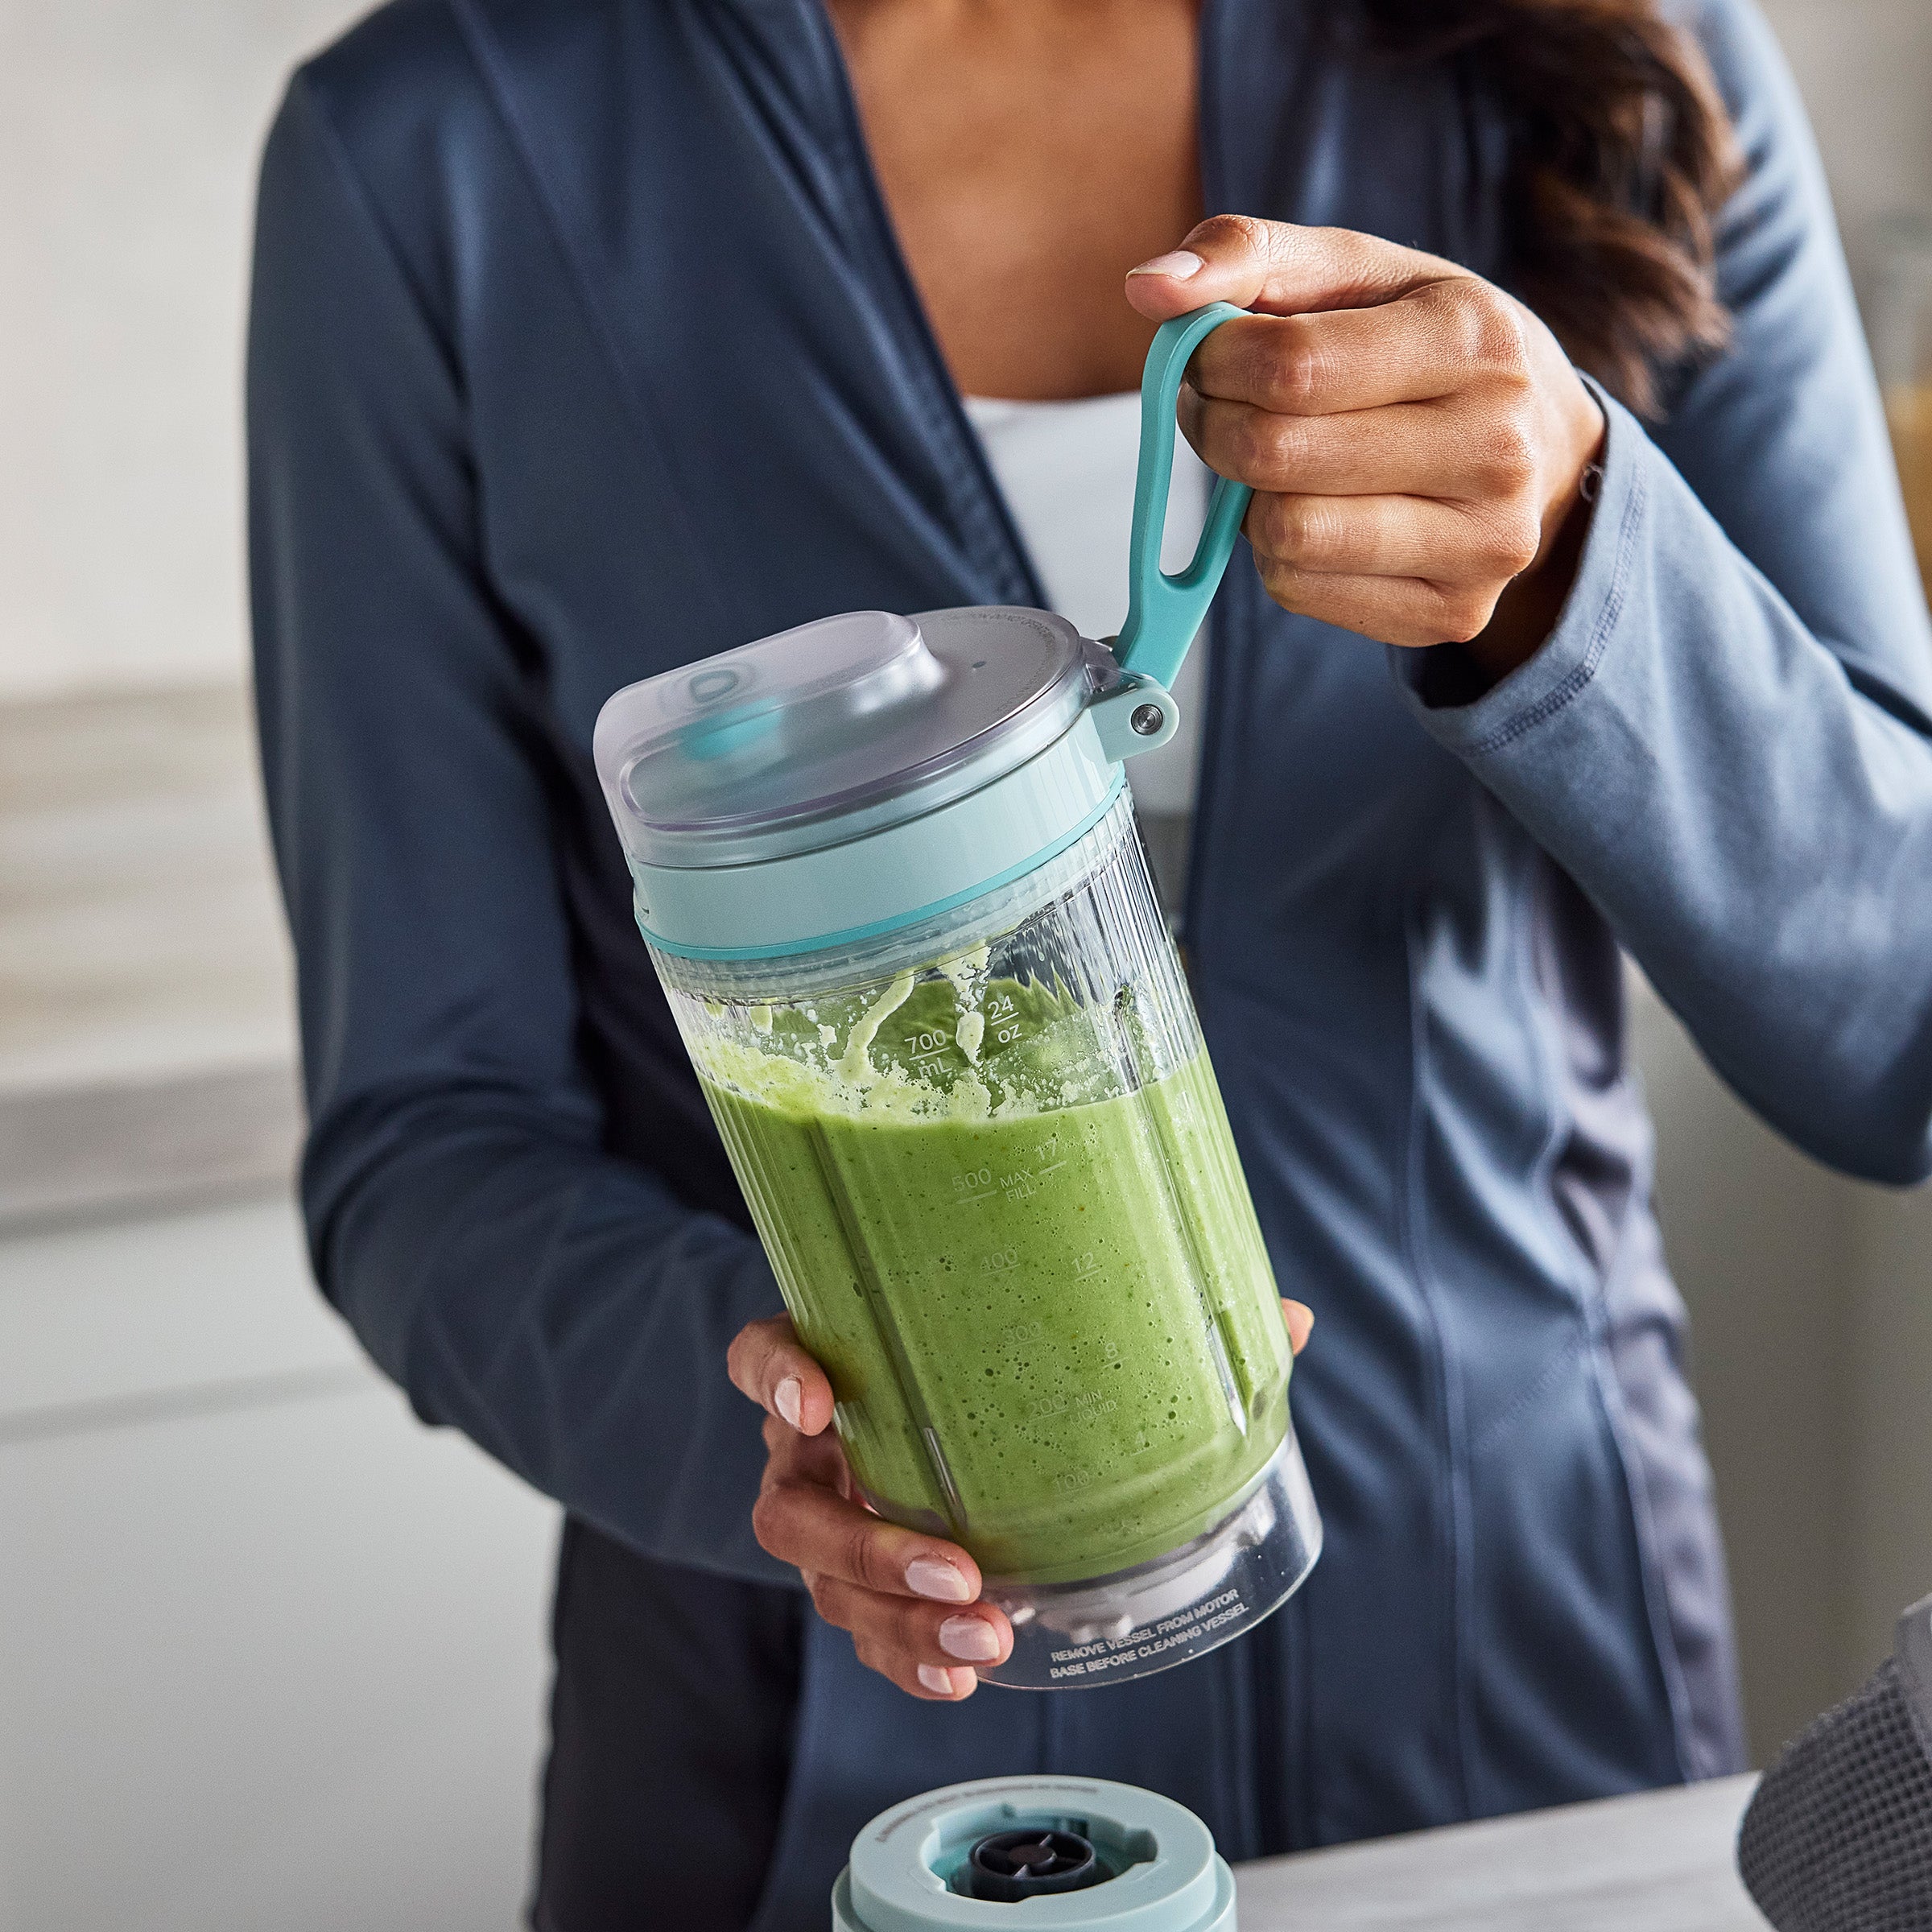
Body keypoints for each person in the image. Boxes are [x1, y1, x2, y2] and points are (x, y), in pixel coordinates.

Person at [246, 0, 1932, 1926]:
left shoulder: (1628, 48)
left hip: (1519, 1697)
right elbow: (426, 1140)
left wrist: (1575, 562)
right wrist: (796, 1422)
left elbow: (1897, 1026)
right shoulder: (437, 150)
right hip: (802, 1783)